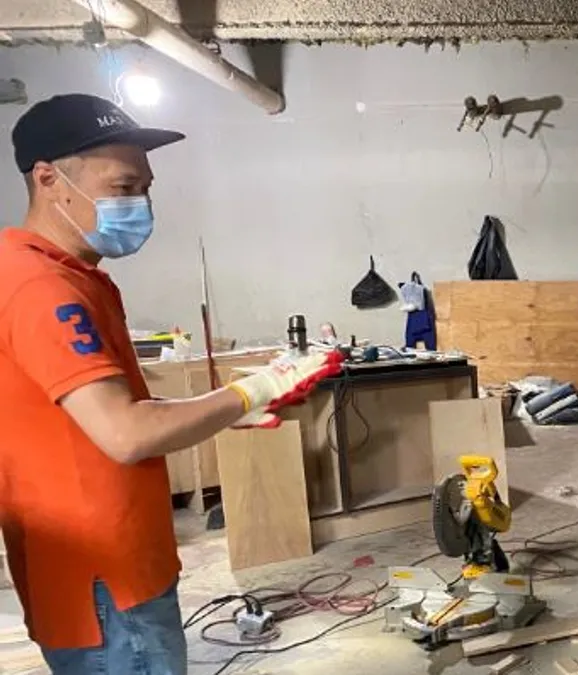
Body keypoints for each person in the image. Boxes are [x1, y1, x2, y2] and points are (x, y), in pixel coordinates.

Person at [0, 93, 343, 675]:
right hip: (105, 582)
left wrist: (225, 412)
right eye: (124, 186)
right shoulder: (41, 287)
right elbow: (126, 433)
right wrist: (257, 386)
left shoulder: (68, 276)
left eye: (146, 188)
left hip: (108, 569)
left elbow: (108, 414)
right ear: (50, 179)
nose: (143, 205)